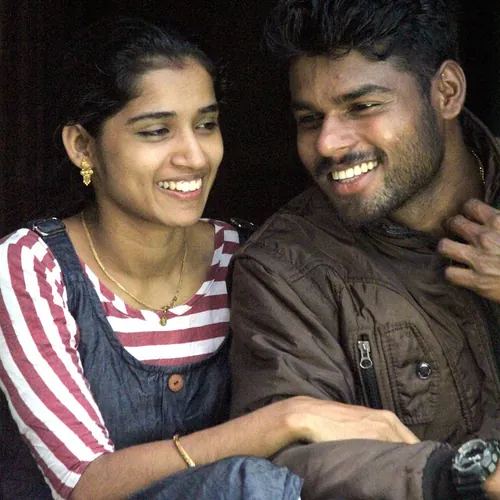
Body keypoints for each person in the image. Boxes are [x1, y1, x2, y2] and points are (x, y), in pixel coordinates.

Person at [0, 16, 423, 500]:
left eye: (206, 125)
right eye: (156, 131)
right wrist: (287, 419)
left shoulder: (250, 257)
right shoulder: (33, 267)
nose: (195, 156)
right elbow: (84, 483)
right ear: (82, 147)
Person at [229, 0, 500, 499]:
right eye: (310, 119)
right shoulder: (286, 268)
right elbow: (290, 461)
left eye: (363, 106)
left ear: (446, 92)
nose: (328, 143)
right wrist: (463, 475)